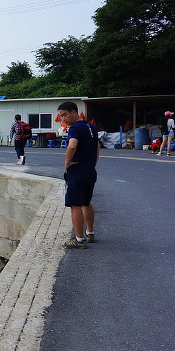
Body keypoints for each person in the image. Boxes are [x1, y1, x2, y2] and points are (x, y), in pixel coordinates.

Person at [58, 101, 100, 248]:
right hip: (90, 171)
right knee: (86, 202)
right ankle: (90, 233)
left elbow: (72, 145)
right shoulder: (91, 127)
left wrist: (67, 163)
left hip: (77, 171)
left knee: (75, 204)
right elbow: (97, 148)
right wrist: (92, 164)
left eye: (65, 115)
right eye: (61, 116)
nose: (63, 119)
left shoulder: (74, 128)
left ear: (74, 112)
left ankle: (79, 240)